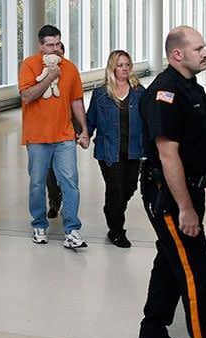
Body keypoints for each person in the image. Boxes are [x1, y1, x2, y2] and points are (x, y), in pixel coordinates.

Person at [136, 26, 206, 338]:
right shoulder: (164, 93)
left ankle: (151, 335)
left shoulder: (191, 88)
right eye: (198, 48)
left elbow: (195, 144)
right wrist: (186, 208)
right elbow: (168, 154)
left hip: (190, 189)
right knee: (194, 270)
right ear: (177, 54)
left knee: (170, 264)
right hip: (169, 197)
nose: (205, 53)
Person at [19, 25, 90, 249]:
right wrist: (49, 77)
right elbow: (27, 95)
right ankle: (39, 224)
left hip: (64, 136)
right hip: (37, 137)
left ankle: (72, 229)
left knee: (70, 182)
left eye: (58, 44)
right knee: (38, 183)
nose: (56, 49)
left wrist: (84, 130)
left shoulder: (70, 68)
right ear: (41, 46)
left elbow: (76, 100)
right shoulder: (29, 65)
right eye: (50, 45)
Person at [86, 50, 145, 248]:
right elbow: (90, 120)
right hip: (109, 151)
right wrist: (84, 135)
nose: (124, 68)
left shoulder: (139, 91)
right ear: (112, 67)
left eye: (127, 64)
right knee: (116, 189)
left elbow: (148, 121)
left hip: (134, 149)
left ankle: (112, 208)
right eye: (120, 65)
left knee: (129, 188)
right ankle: (117, 231)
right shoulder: (101, 94)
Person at [46, 43, 66, 220]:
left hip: (65, 132)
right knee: (50, 172)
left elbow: (76, 103)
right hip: (46, 133)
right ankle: (54, 202)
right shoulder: (45, 74)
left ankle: (68, 203)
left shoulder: (70, 74)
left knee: (66, 173)